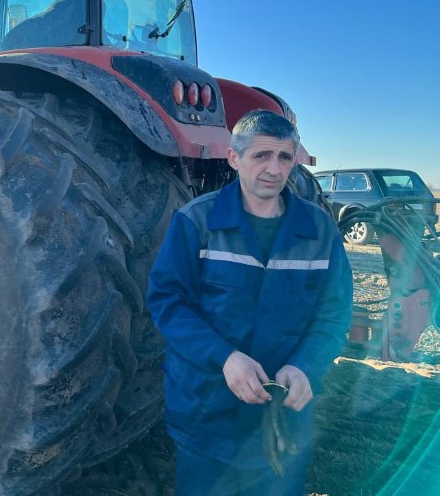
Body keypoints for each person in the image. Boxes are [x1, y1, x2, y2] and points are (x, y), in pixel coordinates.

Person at [147, 109, 352, 496]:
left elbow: (334, 313)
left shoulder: (319, 230)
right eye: (261, 155)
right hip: (207, 413)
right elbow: (169, 303)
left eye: (284, 157)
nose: (274, 169)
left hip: (283, 418)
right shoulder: (197, 222)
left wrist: (306, 366)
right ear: (234, 158)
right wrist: (225, 358)